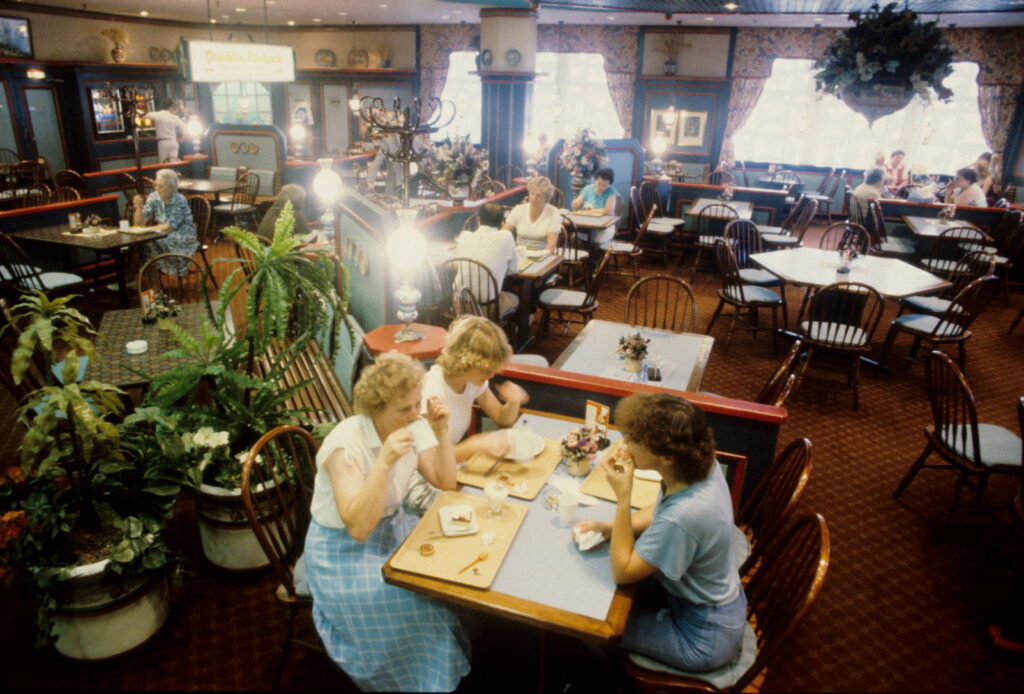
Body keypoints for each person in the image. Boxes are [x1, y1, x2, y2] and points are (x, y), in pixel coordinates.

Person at [303, 352, 468, 692]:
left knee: (446, 577)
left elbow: (445, 481)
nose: (415, 414)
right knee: (422, 610)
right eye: (405, 409)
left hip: (390, 530)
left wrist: (441, 430)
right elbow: (359, 527)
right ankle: (418, 683)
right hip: (341, 553)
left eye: (417, 404)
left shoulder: (413, 424)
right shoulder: (345, 446)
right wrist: (384, 463)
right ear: (377, 409)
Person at [574, 393, 746, 672]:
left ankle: (604, 680)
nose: (625, 446)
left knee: (587, 622)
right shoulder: (699, 463)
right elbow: (659, 512)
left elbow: (623, 570)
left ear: (666, 457)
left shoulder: (686, 515)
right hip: (700, 600)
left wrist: (623, 499)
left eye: (633, 442)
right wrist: (609, 529)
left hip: (701, 636)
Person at [404, 316, 530, 512]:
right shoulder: (430, 393)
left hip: (449, 469)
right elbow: (434, 468)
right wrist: (478, 444)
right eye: (487, 368)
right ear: (466, 360)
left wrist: (513, 401)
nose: (491, 375)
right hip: (418, 483)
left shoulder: (472, 381)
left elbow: (501, 418)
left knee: (510, 492)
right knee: (490, 508)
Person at [132, 168, 197, 275]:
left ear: (173, 187)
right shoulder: (154, 197)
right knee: (138, 243)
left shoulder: (179, 199)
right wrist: (138, 207)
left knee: (148, 243)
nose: (157, 188)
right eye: (156, 185)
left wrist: (147, 230)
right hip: (161, 232)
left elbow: (170, 227)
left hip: (182, 234)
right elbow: (139, 223)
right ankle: (138, 278)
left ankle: (155, 278)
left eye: (161, 186)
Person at [454, 202, 516, 302]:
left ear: (478, 220)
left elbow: (458, 264)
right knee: (514, 298)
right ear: (501, 223)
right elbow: (513, 269)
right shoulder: (506, 236)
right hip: (488, 303)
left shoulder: (464, 236)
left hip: (461, 301)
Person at [502, 175, 562, 252]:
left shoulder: (553, 212)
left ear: (546, 197)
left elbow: (551, 246)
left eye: (538, 196)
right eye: (532, 193)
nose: (534, 198)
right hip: (519, 254)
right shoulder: (519, 209)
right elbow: (504, 233)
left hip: (541, 255)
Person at [144, 98, 187, 163]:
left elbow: (144, 115)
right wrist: (181, 139)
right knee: (174, 163)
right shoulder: (174, 117)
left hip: (163, 143)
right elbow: (185, 128)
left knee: (163, 163)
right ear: (171, 106)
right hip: (174, 142)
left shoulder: (157, 115)